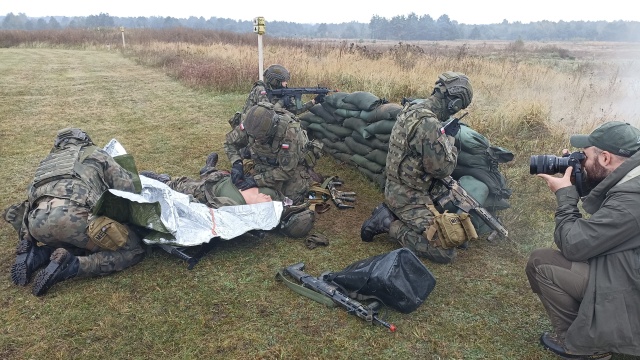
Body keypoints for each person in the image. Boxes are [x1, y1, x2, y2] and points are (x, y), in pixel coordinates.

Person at [526, 121, 640, 359]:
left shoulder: (632, 202)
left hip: (632, 292)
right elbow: (607, 224)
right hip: (630, 267)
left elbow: (574, 244)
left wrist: (565, 196)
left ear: (606, 158)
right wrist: (584, 177)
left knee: (541, 262)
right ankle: (595, 328)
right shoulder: (633, 179)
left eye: (585, 156)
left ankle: (589, 346)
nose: (579, 160)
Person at [3, 128, 146, 296]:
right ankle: (72, 265)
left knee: (74, 240)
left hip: (37, 225)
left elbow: (31, 198)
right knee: (133, 249)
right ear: (85, 139)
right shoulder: (96, 153)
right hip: (74, 221)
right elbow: (127, 188)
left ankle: (37, 254)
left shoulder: (47, 162)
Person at [360, 71, 474, 264]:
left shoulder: (413, 109)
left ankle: (394, 213)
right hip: (408, 196)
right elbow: (441, 169)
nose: (455, 111)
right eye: (458, 107)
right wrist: (450, 141)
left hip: (403, 187)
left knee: (456, 233)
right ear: (454, 103)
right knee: (445, 252)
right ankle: (387, 223)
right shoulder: (428, 123)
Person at [141, 152, 316, 238]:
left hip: (208, 187)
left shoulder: (234, 208)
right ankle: (209, 168)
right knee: (213, 172)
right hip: (227, 176)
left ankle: (162, 179)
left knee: (182, 184)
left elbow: (205, 212)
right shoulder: (272, 196)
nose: (269, 200)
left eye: (267, 205)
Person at [224, 101, 321, 206]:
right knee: (250, 190)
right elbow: (229, 143)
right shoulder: (250, 123)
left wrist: (255, 180)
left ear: (272, 129)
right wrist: (237, 163)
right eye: (253, 136)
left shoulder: (290, 133)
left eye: (260, 137)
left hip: (290, 167)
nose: (256, 140)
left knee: (290, 197)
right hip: (264, 163)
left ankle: (308, 176)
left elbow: (286, 171)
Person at [238, 64, 324, 119]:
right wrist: (282, 102)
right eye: (284, 81)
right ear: (275, 81)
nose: (286, 83)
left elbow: (295, 111)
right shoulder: (261, 89)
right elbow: (267, 113)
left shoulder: (281, 91)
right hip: (249, 122)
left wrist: (314, 101)